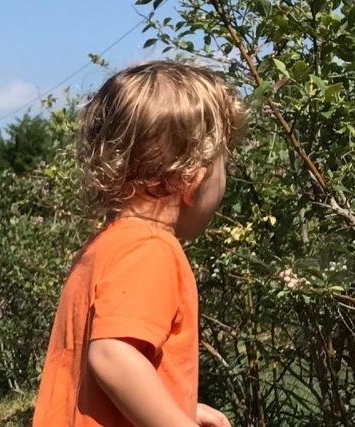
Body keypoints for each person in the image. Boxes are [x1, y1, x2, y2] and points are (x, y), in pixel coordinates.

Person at [33, 61, 245, 427]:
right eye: (223, 166)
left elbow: (97, 381)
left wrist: (179, 406)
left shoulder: (107, 246)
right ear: (192, 179)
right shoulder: (151, 250)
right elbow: (113, 357)